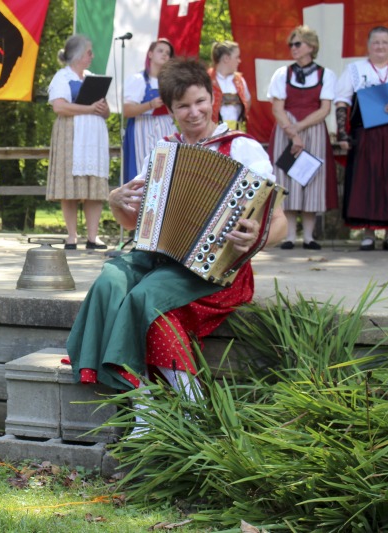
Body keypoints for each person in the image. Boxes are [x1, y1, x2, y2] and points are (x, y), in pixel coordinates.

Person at [65, 57, 287, 409]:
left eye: (200, 101)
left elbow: (279, 222)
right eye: (183, 106)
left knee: (146, 295)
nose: (194, 112)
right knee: (110, 279)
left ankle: (163, 404)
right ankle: (135, 391)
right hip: (161, 259)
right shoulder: (163, 151)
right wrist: (115, 201)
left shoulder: (243, 148)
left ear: (213, 96)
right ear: (170, 109)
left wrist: (259, 234)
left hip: (218, 269)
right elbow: (133, 223)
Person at [267, 25, 337, 251]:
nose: (293, 48)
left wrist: (301, 127)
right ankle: (288, 236)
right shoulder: (282, 74)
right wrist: (292, 131)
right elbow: (277, 107)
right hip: (286, 129)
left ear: (311, 46)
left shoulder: (326, 74)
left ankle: (308, 236)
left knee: (311, 178)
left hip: (313, 129)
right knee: (286, 180)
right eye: (291, 44)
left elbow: (325, 108)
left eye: (297, 44)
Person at [46, 34, 110, 251]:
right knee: (70, 185)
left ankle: (93, 237)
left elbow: (106, 110)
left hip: (94, 137)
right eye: (89, 52)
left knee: (94, 186)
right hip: (71, 135)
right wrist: (89, 109)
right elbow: (60, 107)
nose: (92, 56)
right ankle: (72, 236)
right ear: (77, 55)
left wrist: (102, 110)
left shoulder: (92, 77)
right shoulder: (62, 77)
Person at [334, 26, 388, 251]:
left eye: (385, 42)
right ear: (368, 45)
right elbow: (342, 101)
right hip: (366, 135)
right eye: (376, 42)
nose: (380, 46)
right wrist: (342, 133)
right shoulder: (355, 70)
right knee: (366, 183)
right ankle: (368, 234)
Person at [122, 38, 177, 184]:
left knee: (168, 170)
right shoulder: (138, 80)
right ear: (150, 54)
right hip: (143, 129)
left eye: (168, 53)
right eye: (160, 51)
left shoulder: (170, 82)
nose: (165, 55)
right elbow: (126, 111)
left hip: (166, 126)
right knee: (144, 171)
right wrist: (150, 104)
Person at [208, 41, 251, 131]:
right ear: (226, 58)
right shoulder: (206, 80)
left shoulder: (240, 81)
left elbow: (248, 101)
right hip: (213, 132)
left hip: (236, 131)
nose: (239, 61)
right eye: (237, 57)